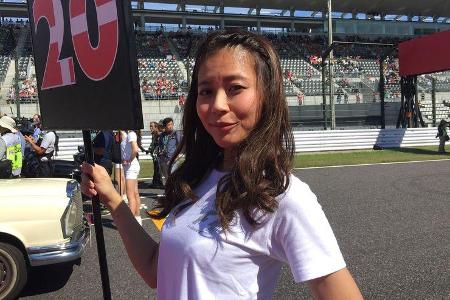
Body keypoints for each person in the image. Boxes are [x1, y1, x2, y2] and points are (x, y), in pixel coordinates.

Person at [81, 29, 362, 299]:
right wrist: (113, 199)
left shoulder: (283, 196)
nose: (217, 104)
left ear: (267, 95)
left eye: (235, 88)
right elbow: (156, 271)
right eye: (205, 91)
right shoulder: (194, 178)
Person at [120, 130, 142, 225]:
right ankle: (137, 218)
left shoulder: (131, 134)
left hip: (131, 168)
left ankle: (130, 223)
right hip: (130, 167)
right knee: (135, 193)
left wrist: (129, 160)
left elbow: (135, 149)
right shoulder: (127, 134)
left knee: (130, 196)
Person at [157, 117, 181, 184]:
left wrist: (177, 157)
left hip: (173, 159)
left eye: (171, 124)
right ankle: (169, 192)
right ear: (165, 126)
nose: (170, 126)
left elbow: (180, 146)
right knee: (167, 178)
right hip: (164, 159)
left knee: (174, 177)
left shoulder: (176, 133)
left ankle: (175, 192)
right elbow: (160, 146)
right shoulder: (162, 135)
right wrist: (160, 152)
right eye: (168, 125)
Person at [147, 121, 164, 189]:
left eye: (152, 126)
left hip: (158, 154)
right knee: (156, 168)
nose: (150, 128)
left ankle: (159, 183)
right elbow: (153, 143)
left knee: (158, 168)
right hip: (154, 154)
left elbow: (159, 143)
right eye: (150, 126)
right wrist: (150, 149)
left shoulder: (158, 133)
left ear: (156, 127)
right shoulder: (153, 134)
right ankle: (155, 183)